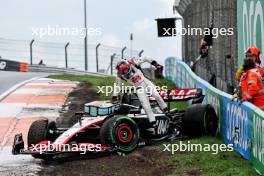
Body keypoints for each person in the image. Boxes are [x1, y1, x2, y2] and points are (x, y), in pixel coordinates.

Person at [112, 58, 168, 124]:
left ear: (127, 65)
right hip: (139, 88)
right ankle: (152, 120)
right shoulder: (119, 75)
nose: (126, 72)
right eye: (123, 71)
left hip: (146, 82)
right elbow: (117, 86)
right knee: (145, 105)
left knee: (156, 95)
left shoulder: (132, 63)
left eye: (126, 70)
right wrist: (114, 97)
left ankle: (165, 109)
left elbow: (145, 58)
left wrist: (155, 64)